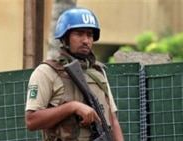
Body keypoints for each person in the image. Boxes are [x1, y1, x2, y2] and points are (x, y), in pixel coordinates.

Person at [25, 7, 125, 141]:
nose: (86, 40)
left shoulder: (98, 72)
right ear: (64, 39)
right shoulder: (47, 72)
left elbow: (113, 119)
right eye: (79, 34)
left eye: (89, 35)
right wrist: (72, 107)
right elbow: (31, 121)